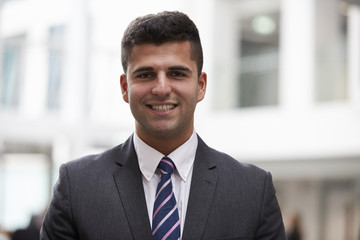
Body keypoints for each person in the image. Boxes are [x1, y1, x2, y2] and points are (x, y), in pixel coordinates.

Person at [40, 11, 286, 239]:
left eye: (177, 74)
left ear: (201, 86)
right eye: (146, 74)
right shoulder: (77, 186)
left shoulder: (253, 191)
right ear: (125, 88)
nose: (161, 88)